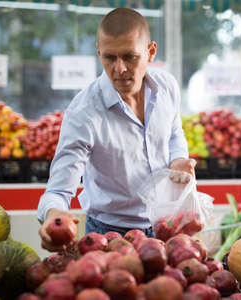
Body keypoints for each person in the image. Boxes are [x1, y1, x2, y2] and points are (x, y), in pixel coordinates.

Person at [38, 7, 196, 252]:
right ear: (99, 52)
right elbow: (58, 189)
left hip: (167, 226)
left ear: (150, 52)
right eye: (109, 58)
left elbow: (175, 132)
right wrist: (53, 214)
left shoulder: (167, 87)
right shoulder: (84, 112)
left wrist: (177, 159)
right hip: (108, 235)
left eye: (129, 57)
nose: (119, 69)